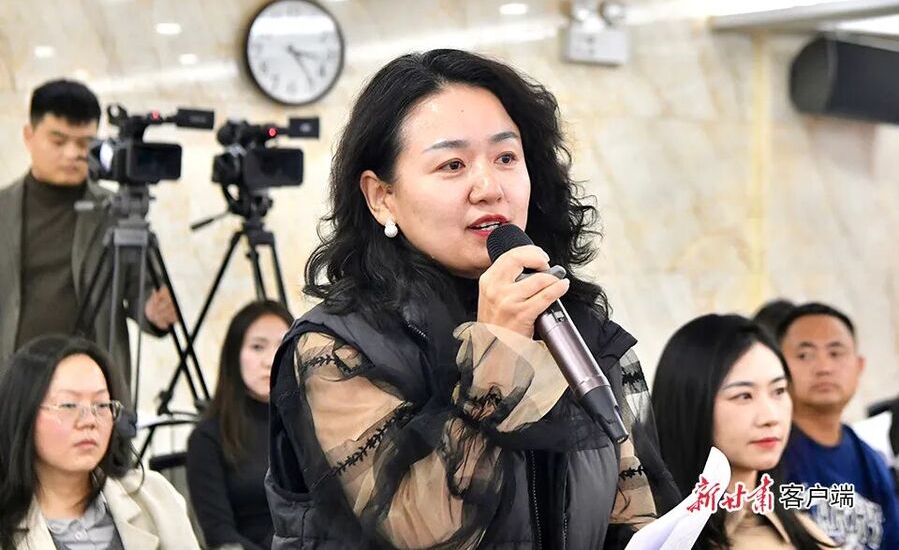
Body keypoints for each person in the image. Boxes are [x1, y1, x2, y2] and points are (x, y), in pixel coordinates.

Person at [266, 49, 677, 549]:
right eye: (453, 164)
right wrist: (498, 348)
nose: (489, 187)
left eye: (506, 158)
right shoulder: (337, 348)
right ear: (381, 197)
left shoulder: (569, 320)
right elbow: (424, 531)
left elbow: (633, 511)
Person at [0, 79, 177, 384]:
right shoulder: (4, 208)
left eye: (85, 143)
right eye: (58, 141)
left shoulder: (117, 211)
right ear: (29, 136)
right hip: (11, 382)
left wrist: (153, 311)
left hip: (93, 383)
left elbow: (143, 290)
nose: (72, 154)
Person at [0, 335, 199, 549]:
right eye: (69, 405)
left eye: (102, 405)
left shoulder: (155, 496)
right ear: (22, 414)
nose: (90, 421)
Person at [653, 313, 833, 549]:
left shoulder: (804, 530)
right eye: (744, 396)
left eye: (779, 391)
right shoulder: (653, 535)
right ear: (690, 405)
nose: (770, 417)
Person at [778, 302, 899, 550]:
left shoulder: (872, 461)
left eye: (836, 353)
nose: (824, 368)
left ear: (859, 365)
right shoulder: (767, 454)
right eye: (805, 355)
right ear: (778, 367)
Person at [186, 299, 292, 550]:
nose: (270, 360)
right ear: (234, 355)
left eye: (282, 347)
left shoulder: (312, 423)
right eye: (258, 347)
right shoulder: (208, 437)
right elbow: (220, 534)